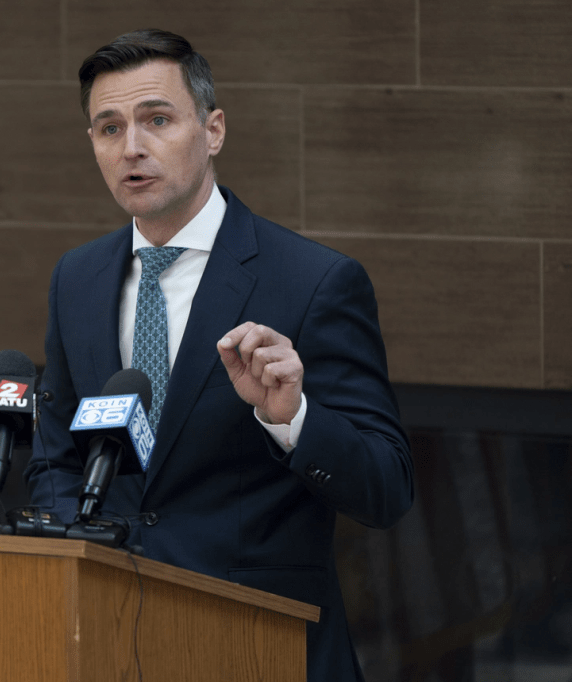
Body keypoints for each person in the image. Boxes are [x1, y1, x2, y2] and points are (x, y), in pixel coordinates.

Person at [23, 29, 414, 681]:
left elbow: (387, 490)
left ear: (213, 131)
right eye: (110, 128)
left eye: (157, 120)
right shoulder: (77, 279)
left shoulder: (314, 281)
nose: (132, 147)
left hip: (259, 648)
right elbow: (56, 460)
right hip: (110, 644)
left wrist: (293, 420)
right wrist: (81, 543)